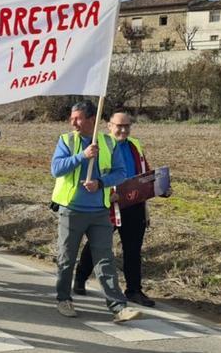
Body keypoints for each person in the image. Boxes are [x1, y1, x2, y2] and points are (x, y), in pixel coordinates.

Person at [51, 100, 140, 323]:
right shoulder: (66, 140)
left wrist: (100, 183)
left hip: (100, 211)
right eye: (72, 118)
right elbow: (56, 169)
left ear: (92, 119)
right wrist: (82, 156)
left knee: (105, 260)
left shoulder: (108, 143)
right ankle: (63, 298)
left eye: (78, 118)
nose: (73, 122)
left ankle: (118, 306)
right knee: (66, 258)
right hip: (71, 210)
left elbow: (120, 173)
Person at [75, 111, 159, 307]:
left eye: (127, 126)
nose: (123, 130)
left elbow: (145, 172)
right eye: (119, 126)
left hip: (134, 204)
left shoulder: (135, 145)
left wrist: (160, 187)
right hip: (107, 203)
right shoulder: (99, 146)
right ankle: (80, 278)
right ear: (109, 126)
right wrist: (105, 190)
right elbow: (89, 175)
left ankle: (134, 290)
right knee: (97, 244)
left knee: (133, 249)